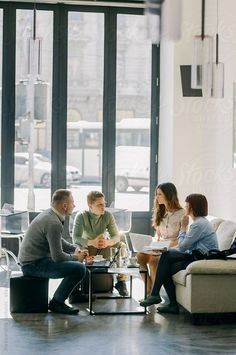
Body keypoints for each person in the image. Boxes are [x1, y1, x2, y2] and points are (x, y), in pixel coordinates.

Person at [139, 193, 219, 314]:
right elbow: (187, 247)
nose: (185, 207)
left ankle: (156, 295)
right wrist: (167, 249)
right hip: (196, 255)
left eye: (187, 205)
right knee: (167, 264)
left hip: (202, 259)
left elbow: (182, 247)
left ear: (192, 207)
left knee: (165, 257)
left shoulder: (198, 224)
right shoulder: (199, 222)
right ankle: (171, 304)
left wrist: (183, 228)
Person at [18, 189, 87, 315]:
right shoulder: (53, 223)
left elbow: (57, 240)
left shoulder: (50, 214)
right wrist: (77, 257)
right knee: (80, 269)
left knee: (77, 266)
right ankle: (57, 303)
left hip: (33, 261)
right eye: (72, 202)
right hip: (32, 265)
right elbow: (58, 257)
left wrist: (74, 248)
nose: (74, 205)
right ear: (64, 206)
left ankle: (61, 299)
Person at [72, 190, 128, 297]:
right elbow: (75, 237)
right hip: (88, 247)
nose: (103, 207)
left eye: (104, 204)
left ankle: (121, 282)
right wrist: (91, 242)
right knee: (78, 247)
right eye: (100, 205)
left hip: (103, 245)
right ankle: (76, 287)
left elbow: (116, 236)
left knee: (121, 245)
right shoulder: (81, 216)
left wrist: (108, 242)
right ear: (90, 205)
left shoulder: (107, 215)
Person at [136, 182, 185, 295]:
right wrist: (152, 244)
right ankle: (149, 290)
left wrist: (164, 246)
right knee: (140, 256)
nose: (156, 197)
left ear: (169, 195)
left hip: (172, 248)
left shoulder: (182, 214)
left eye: (159, 194)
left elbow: (183, 239)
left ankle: (154, 294)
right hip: (159, 246)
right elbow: (157, 236)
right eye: (156, 194)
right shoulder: (160, 212)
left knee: (154, 260)